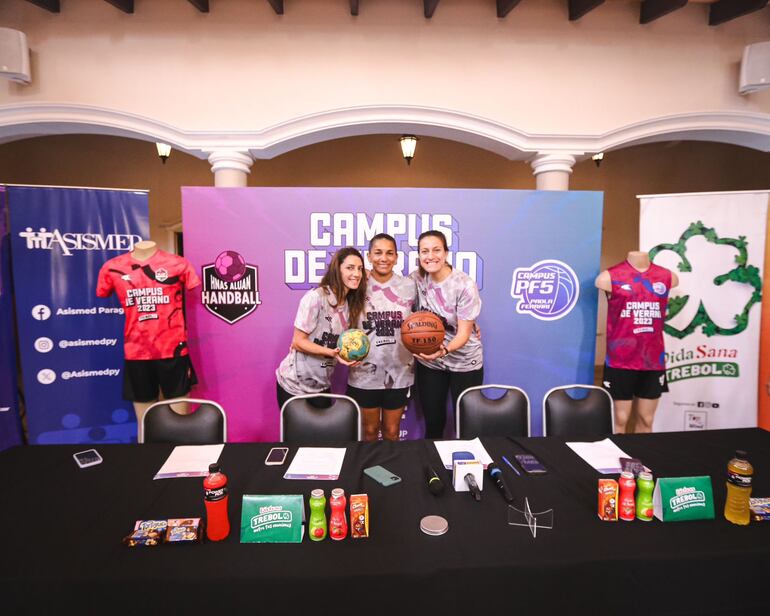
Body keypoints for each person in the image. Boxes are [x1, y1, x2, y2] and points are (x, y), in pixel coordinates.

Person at [96, 240, 200, 441]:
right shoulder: (112, 267)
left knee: (179, 421)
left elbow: (193, 284)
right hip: (136, 351)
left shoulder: (177, 263)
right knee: (145, 423)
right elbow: (102, 292)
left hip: (173, 350)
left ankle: (179, 460)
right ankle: (147, 461)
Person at [410, 230, 483, 439]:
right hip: (430, 362)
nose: (430, 256)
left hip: (464, 360)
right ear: (419, 255)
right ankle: (433, 469)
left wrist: (443, 350)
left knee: (467, 423)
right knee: (434, 422)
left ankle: (467, 470)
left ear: (446, 253)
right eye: (424, 251)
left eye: (436, 250)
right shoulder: (417, 278)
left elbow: (463, 334)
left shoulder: (464, 284)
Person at [595, 250, 678, 433]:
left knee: (647, 420)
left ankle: (643, 459)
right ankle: (617, 458)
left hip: (653, 361)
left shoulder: (666, 276)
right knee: (619, 420)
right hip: (620, 361)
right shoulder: (610, 276)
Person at [275, 247, 367, 410]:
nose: (357, 274)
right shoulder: (316, 298)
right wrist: (332, 353)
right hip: (294, 386)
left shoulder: (347, 304)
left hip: (321, 386)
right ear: (337, 269)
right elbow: (298, 342)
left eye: (360, 269)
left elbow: (340, 343)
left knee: (323, 436)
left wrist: (348, 354)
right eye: (350, 268)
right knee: (297, 436)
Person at [347, 234, 416, 441]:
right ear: (369, 256)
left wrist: (467, 321)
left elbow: (430, 313)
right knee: (368, 432)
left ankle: (390, 472)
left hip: (400, 371)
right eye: (378, 253)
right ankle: (370, 473)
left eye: (389, 253)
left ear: (396, 257)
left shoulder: (410, 286)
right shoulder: (356, 285)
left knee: (392, 432)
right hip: (364, 373)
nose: (383, 258)